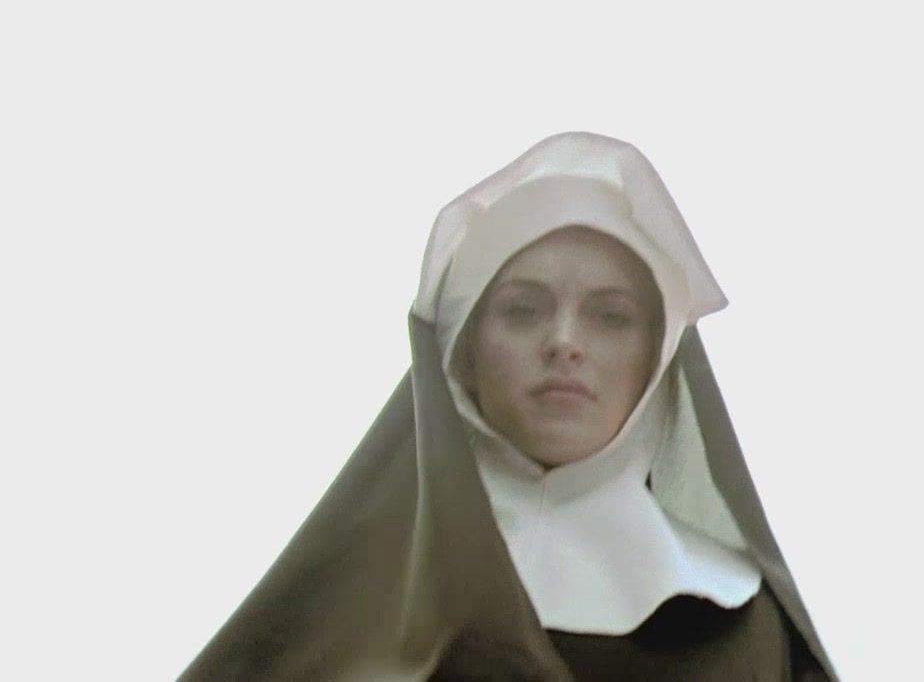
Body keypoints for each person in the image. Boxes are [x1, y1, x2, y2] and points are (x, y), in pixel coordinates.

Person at [181, 132, 837, 680]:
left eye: (611, 316)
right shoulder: (341, 603)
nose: (564, 343)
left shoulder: (741, 625)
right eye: (523, 310)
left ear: (655, 365)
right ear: (463, 353)